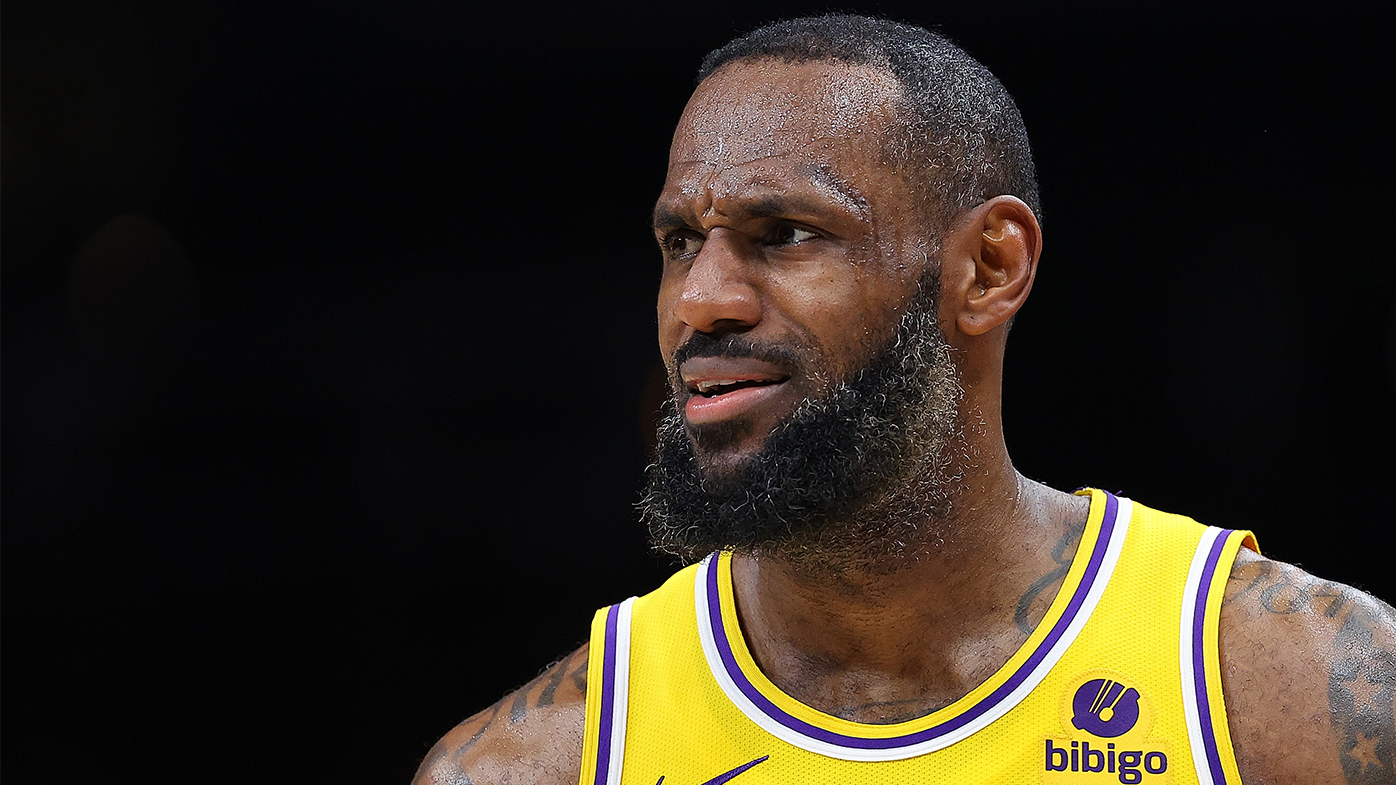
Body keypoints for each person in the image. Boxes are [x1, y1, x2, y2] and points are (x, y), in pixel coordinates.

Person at [413, 14, 1396, 785]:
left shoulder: (1291, 688)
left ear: (986, 266)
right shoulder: (540, 758)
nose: (701, 300)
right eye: (680, 242)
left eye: (785, 232)